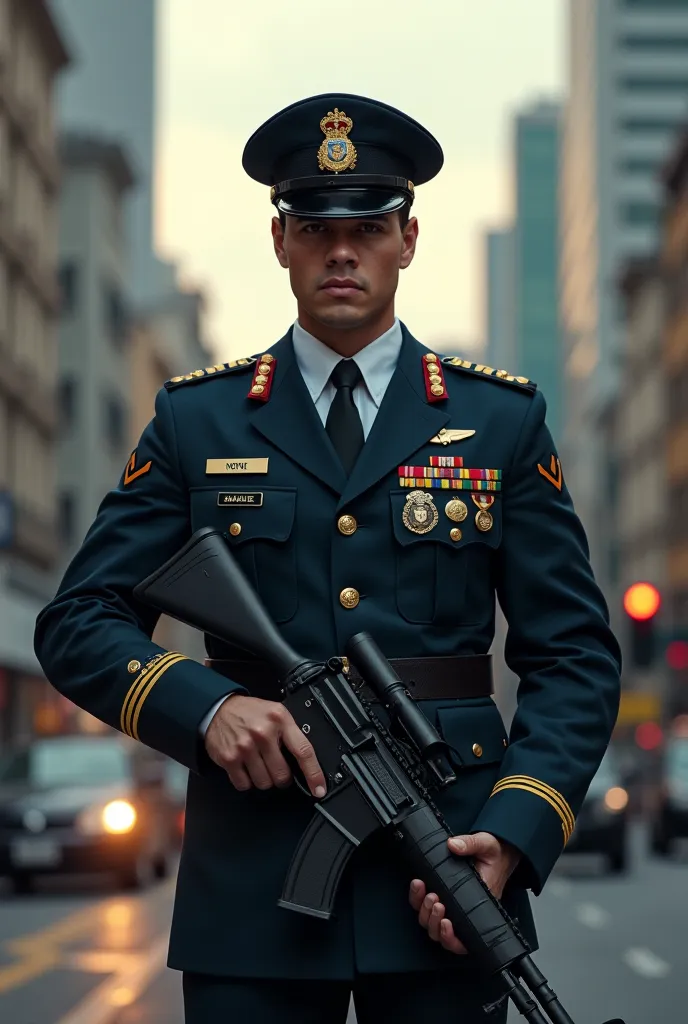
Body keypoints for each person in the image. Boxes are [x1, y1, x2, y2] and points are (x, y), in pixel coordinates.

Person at [34, 93, 622, 1023]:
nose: (340, 250)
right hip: (254, 890)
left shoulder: (501, 421)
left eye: (368, 226)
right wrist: (210, 707)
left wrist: (511, 835)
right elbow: (76, 622)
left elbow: (576, 657)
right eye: (314, 226)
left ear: (409, 239)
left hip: (447, 878)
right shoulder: (200, 419)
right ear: (280, 242)